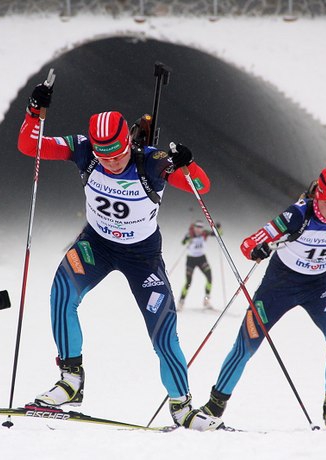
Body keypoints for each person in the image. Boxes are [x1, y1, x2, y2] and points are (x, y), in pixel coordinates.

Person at [17, 83, 223, 431]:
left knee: (162, 331)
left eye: (117, 154)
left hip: (141, 257)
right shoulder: (84, 150)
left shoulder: (153, 162)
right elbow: (29, 146)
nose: (111, 162)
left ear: (128, 142)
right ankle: (71, 381)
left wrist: (188, 164)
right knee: (62, 293)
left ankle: (182, 406)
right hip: (96, 246)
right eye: (104, 155)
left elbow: (201, 187)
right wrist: (34, 112)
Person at [200, 167, 326, 430]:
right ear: (317, 196)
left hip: (318, 287)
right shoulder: (298, 214)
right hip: (278, 287)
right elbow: (248, 244)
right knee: (246, 345)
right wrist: (258, 249)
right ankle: (214, 405)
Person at [177, 220, 220, 311]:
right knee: (188, 282)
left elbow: (217, 234)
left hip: (201, 259)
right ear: (194, 227)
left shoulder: (204, 233)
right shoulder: (190, 234)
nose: (199, 230)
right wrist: (188, 238)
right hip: (191, 260)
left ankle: (206, 301)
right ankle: (181, 302)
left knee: (209, 277)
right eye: (197, 227)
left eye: (201, 228)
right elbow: (183, 243)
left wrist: (218, 228)